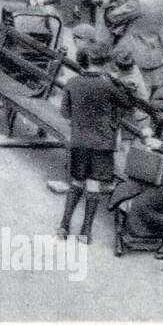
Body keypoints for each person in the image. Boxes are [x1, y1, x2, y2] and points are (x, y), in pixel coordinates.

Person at [108, 86, 163, 259]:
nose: (156, 114)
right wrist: (147, 134)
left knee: (143, 204)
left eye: (159, 111)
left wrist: (162, 147)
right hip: (157, 172)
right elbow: (153, 137)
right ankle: (126, 233)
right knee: (124, 189)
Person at [57, 42, 130, 244]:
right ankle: (85, 232)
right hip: (102, 144)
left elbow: (65, 113)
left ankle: (64, 226)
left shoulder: (72, 82)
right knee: (94, 185)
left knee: (76, 183)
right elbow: (128, 103)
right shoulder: (108, 85)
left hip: (79, 141)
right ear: (105, 63)